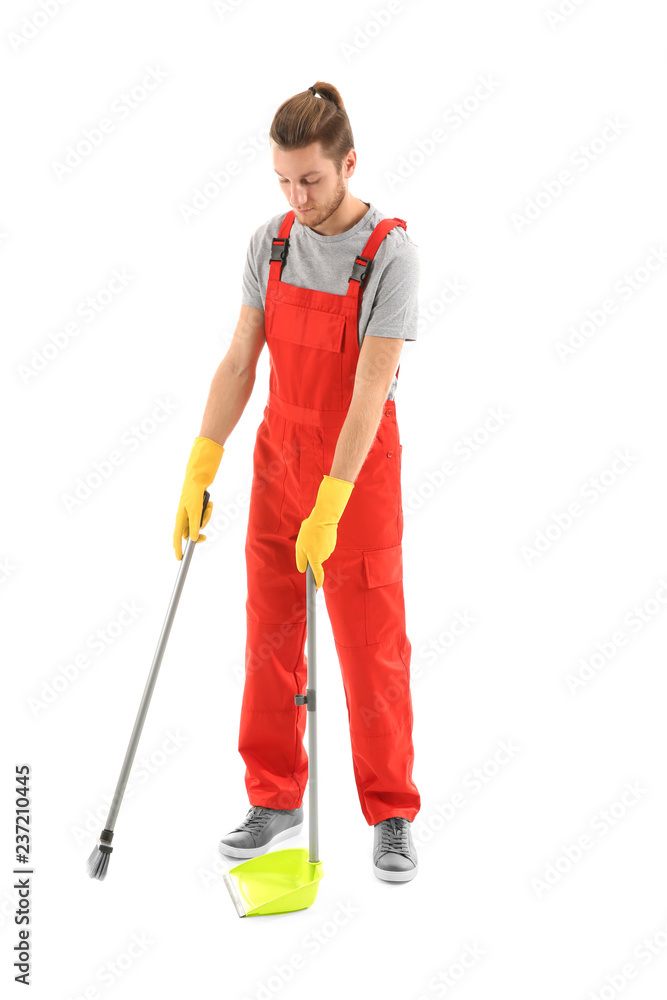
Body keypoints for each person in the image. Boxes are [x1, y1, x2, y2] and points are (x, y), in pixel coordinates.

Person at [173, 82, 421, 882]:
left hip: (356, 474)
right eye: (282, 181)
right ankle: (274, 799)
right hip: (280, 465)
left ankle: (389, 813)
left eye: (309, 180)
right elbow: (242, 361)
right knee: (270, 642)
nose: (295, 197)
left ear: (348, 163)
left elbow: (368, 391)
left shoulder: (390, 254)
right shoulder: (269, 243)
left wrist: (334, 503)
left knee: (370, 650)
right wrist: (202, 459)